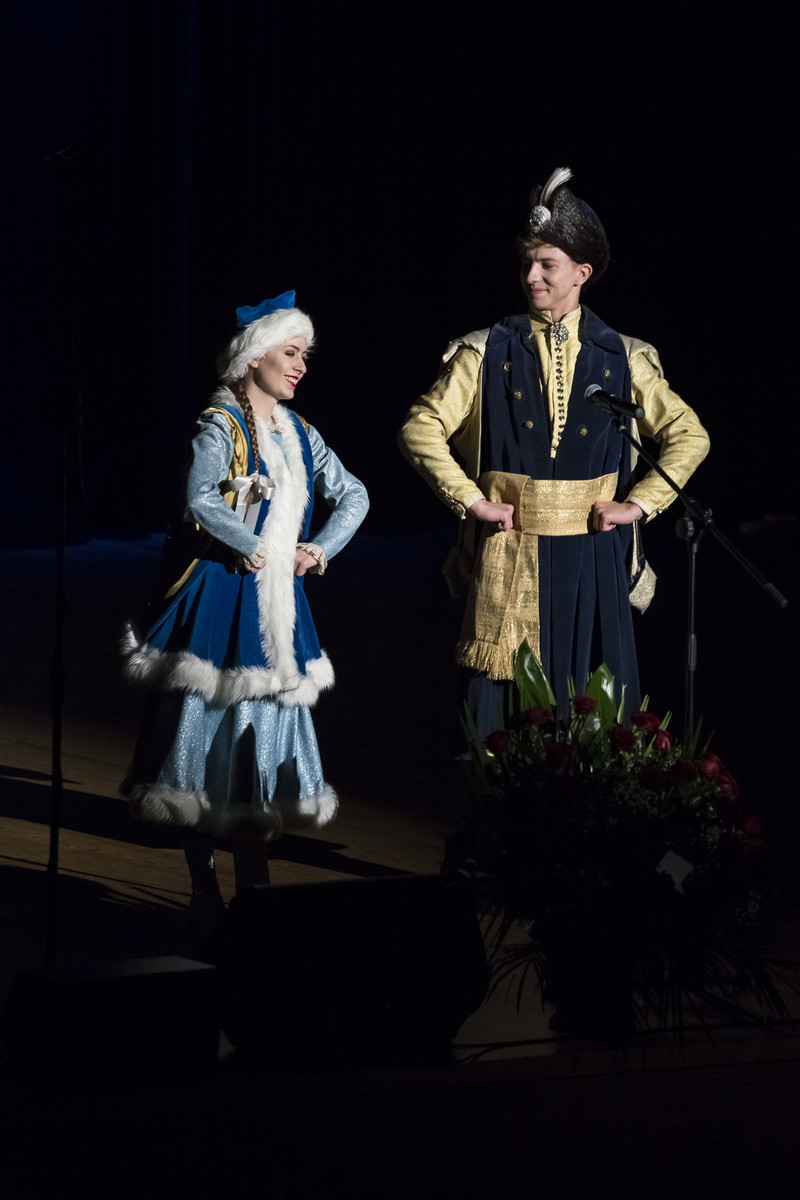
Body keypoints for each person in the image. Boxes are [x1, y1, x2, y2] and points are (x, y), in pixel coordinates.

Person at [398, 167, 710, 728]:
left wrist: (639, 505)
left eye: (547, 263)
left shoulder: (625, 356)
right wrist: (471, 501)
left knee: (591, 708)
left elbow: (689, 435)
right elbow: (420, 427)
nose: (531, 275)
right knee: (502, 714)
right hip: (510, 547)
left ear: (581, 273)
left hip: (593, 556)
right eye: (526, 262)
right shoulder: (483, 351)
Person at [122, 291, 369, 923]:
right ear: (255, 355)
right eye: (291, 353)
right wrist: (251, 544)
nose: (301, 366)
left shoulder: (301, 433)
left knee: (261, 741)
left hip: (278, 607)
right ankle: (205, 885)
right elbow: (199, 499)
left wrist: (318, 549)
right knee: (203, 742)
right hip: (222, 596)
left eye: (305, 355)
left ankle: (254, 889)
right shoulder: (220, 424)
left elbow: (355, 495)